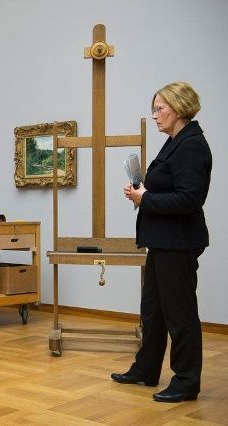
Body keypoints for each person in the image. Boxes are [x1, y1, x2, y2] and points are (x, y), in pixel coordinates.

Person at [112, 81, 212, 403]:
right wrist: (142, 193)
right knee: (153, 310)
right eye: (153, 109)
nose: (154, 115)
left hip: (178, 243)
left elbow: (189, 199)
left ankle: (186, 382)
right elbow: (167, 189)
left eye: (159, 109)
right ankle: (146, 369)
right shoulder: (175, 142)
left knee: (179, 314)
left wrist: (146, 199)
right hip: (162, 242)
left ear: (179, 108)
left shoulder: (192, 145)